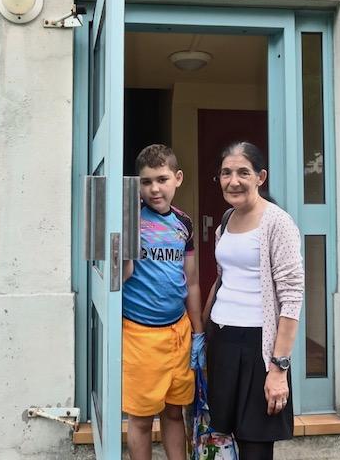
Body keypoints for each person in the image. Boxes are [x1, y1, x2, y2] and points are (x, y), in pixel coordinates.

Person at [202, 141, 305, 460]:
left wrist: (279, 368)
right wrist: (201, 335)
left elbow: (292, 298)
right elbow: (222, 279)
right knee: (221, 441)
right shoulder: (226, 220)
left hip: (258, 348)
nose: (233, 181)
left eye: (243, 173)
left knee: (255, 446)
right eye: (226, 173)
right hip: (222, 341)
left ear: (260, 177)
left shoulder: (278, 222)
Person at [122, 144, 205, 460]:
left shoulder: (184, 223)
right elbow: (119, 274)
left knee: (174, 412)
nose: (154, 189)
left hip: (178, 334)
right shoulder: (130, 218)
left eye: (162, 179)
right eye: (146, 182)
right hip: (140, 334)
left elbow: (192, 281)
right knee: (141, 420)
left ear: (178, 178)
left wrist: (198, 332)